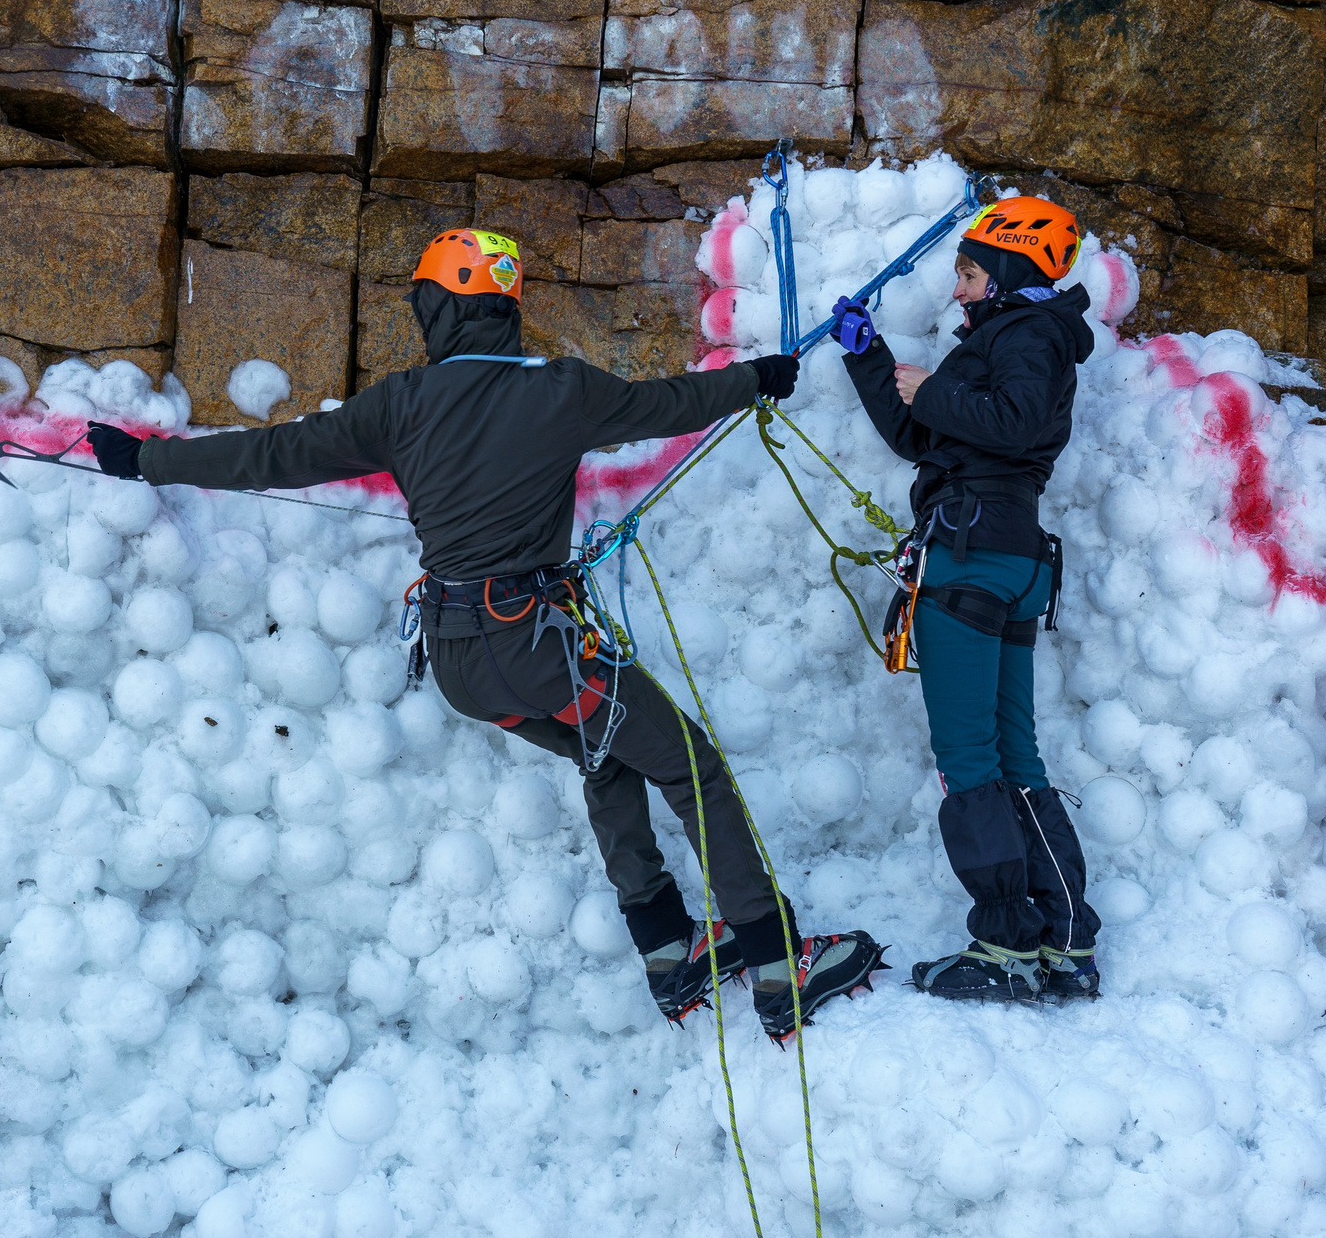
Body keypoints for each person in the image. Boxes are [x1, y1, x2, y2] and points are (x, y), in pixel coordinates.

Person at [82, 228, 887, 1041]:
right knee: (689, 762)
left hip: (461, 662)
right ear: (502, 307)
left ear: (439, 307)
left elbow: (272, 454)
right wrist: (757, 378)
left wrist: (145, 461)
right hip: (534, 645)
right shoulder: (562, 390)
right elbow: (670, 403)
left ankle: (670, 950)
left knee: (606, 748)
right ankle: (780, 965)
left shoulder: (399, 403)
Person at [826, 196, 1102, 1004]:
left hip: (970, 556)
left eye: (970, 274)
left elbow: (1009, 422)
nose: (959, 289)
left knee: (969, 759)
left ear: (1008, 270)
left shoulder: (1029, 334)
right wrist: (871, 358)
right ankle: (1065, 940)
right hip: (1007, 558)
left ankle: (1005, 945)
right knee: (1014, 755)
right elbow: (920, 436)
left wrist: (930, 389)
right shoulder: (1016, 338)